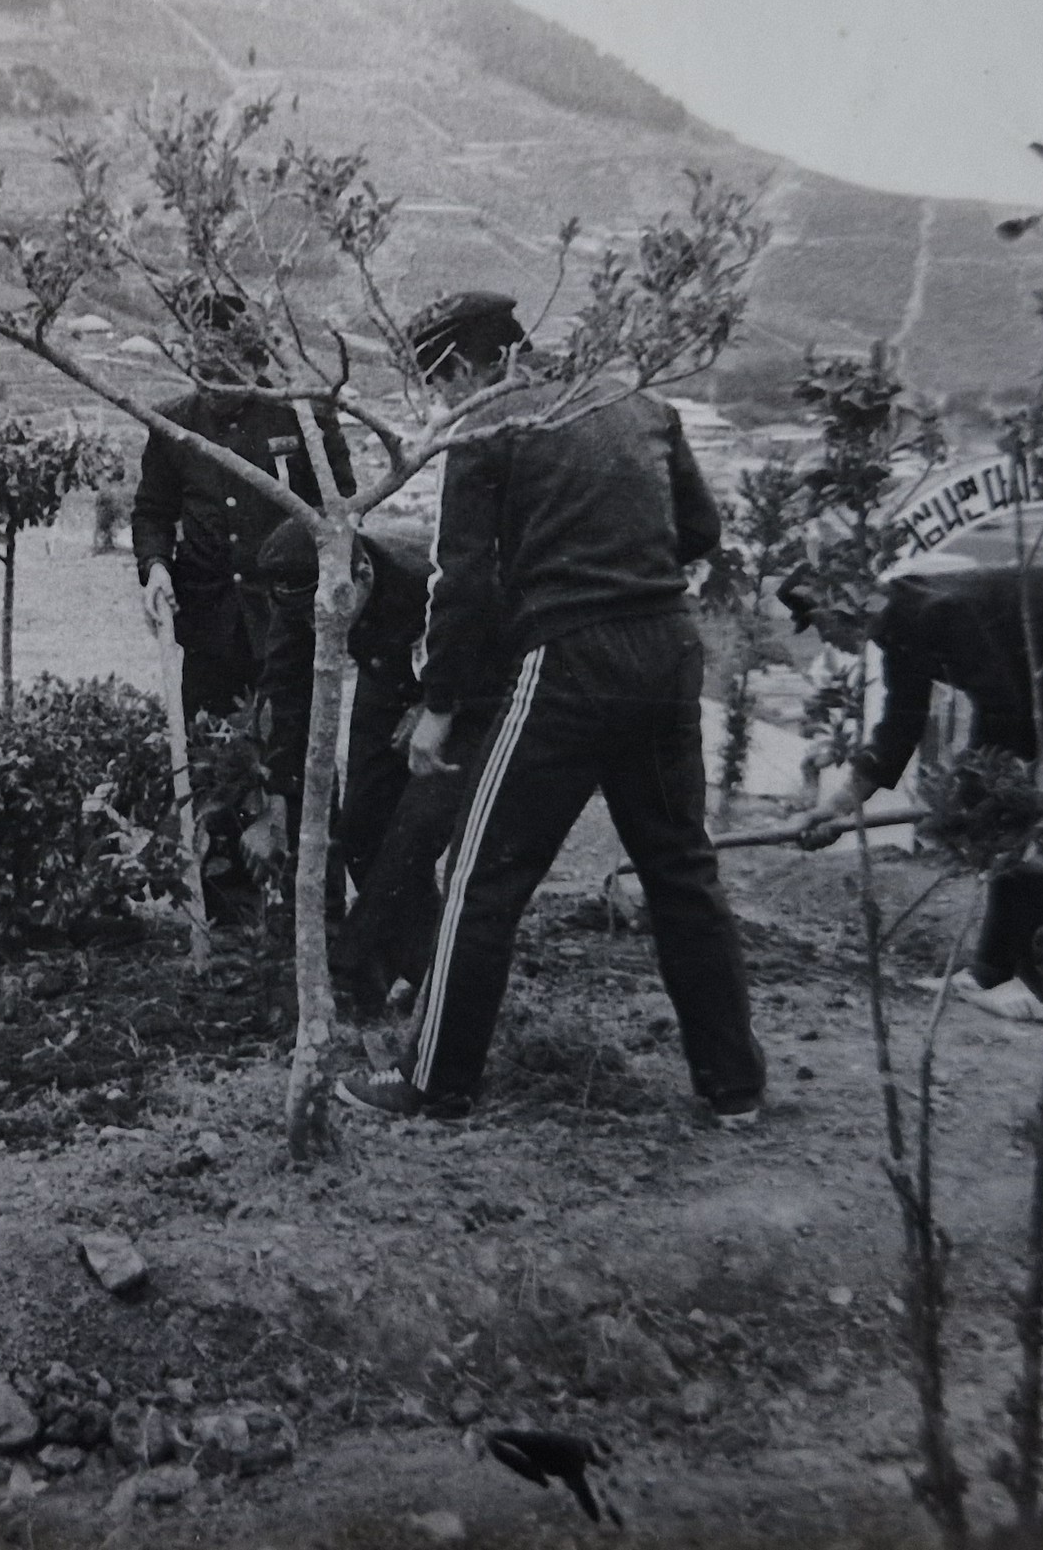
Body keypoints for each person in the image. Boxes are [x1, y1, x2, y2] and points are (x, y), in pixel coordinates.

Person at [336, 291, 767, 1125]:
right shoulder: (636, 400)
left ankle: (435, 1081)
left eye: (439, 384)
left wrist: (439, 705)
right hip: (669, 647)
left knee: (481, 875)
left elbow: (460, 581)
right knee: (681, 868)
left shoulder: (487, 424)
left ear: (466, 366)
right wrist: (620, 562)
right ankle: (733, 1085)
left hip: (571, 658)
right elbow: (700, 530)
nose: (441, 402)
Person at [784, 560, 1043, 1021]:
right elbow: (898, 730)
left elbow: (1011, 707)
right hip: (1027, 690)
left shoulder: (940, 611)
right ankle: (992, 970)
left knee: (1031, 815)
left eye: (820, 624)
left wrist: (993, 788)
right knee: (1000, 806)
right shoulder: (899, 627)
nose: (825, 639)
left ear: (841, 608)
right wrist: (833, 810)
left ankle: (1037, 982)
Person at [248, 511, 514, 1018]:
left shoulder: (435, 578)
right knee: (363, 833)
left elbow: (502, 651)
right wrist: (279, 795)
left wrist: (438, 703)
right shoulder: (304, 589)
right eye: (307, 619)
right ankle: (430, 970)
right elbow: (286, 691)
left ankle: (355, 974)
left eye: (326, 614)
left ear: (363, 575)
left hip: (471, 691)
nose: (318, 627)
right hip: (387, 677)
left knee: (416, 831)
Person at [130, 288, 357, 723]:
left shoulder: (304, 417)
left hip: (286, 618)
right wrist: (155, 567)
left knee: (287, 745)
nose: (212, 387)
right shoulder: (172, 424)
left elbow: (338, 509)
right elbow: (153, 511)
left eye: (226, 374)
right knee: (209, 746)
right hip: (207, 622)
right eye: (202, 374)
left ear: (258, 365)